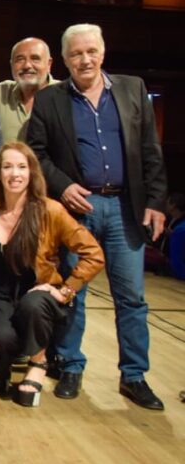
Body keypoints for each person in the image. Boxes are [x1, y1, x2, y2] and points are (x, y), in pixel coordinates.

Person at [25, 23, 169, 409]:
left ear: (102, 53)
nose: (84, 59)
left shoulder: (132, 89)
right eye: (76, 54)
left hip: (126, 209)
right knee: (73, 293)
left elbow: (149, 150)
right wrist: (63, 184)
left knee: (132, 298)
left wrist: (156, 201)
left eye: (91, 51)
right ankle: (71, 365)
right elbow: (34, 152)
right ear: (65, 59)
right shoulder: (51, 98)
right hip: (77, 210)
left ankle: (134, 376)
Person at [0, 143, 104, 406]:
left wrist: (66, 289)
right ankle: (4, 361)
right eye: (7, 166)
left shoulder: (50, 209)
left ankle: (38, 362)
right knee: (2, 337)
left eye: (22, 167)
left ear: (32, 173)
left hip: (38, 291)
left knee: (32, 305)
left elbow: (93, 253)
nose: (15, 173)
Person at [0, 37, 55, 145]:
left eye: (35, 58)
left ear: (49, 64)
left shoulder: (65, 96)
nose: (27, 65)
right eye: (20, 59)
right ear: (11, 65)